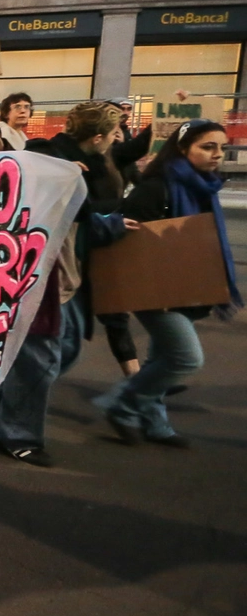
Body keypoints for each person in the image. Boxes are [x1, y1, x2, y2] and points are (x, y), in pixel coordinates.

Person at [0, 101, 137, 467]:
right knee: (40, 358)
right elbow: (20, 186)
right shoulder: (47, 154)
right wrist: (57, 175)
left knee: (64, 350)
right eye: (114, 133)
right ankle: (18, 435)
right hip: (41, 278)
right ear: (99, 136)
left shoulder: (91, 164)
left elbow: (80, 219)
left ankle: (2, 412)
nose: (116, 140)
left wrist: (110, 225)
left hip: (66, 278)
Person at [102, 120, 239, 447]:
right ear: (181, 148)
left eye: (221, 147)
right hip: (156, 292)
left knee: (160, 359)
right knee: (186, 358)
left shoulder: (204, 185)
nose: (217, 154)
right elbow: (127, 238)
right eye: (208, 146)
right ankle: (122, 404)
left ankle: (156, 425)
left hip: (190, 289)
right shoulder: (158, 187)